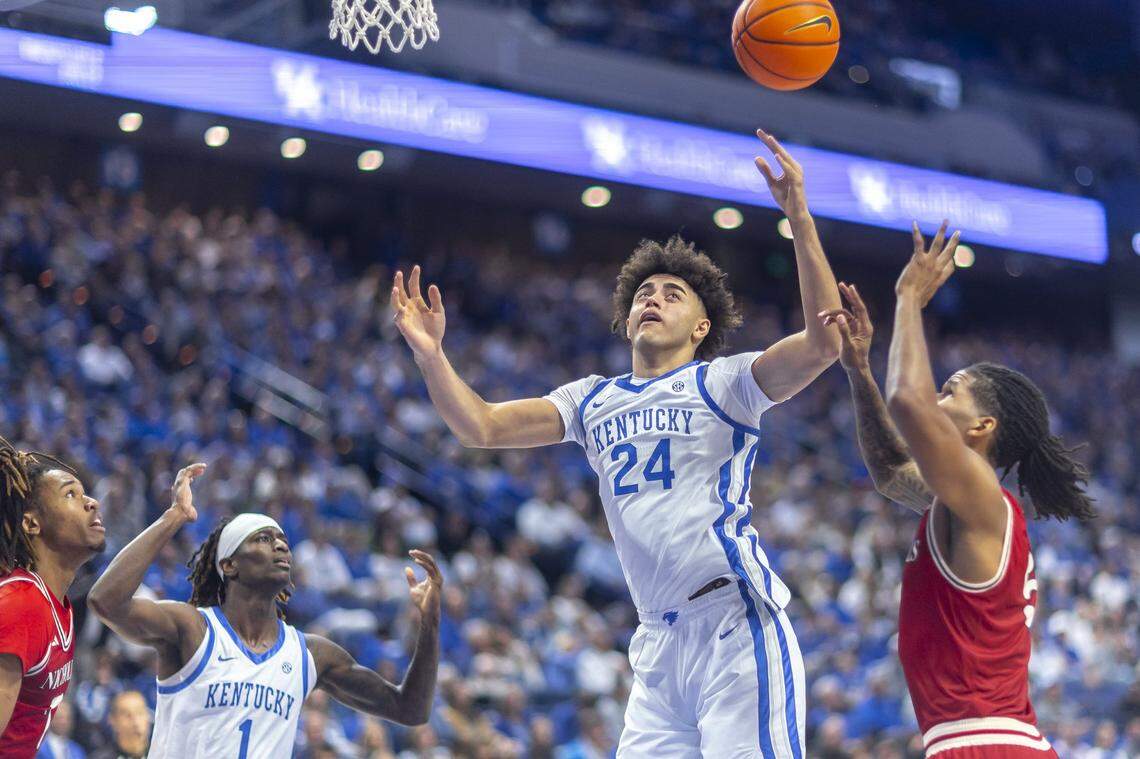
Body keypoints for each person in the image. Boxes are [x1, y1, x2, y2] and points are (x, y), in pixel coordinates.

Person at [392, 130, 843, 756]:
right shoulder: (592, 399)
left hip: (734, 625)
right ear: (627, 317)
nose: (653, 299)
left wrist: (798, 216)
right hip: (658, 642)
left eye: (672, 294)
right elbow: (482, 427)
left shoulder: (725, 380)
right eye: (643, 294)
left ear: (702, 326)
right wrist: (432, 356)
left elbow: (825, 343)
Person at [825, 222, 1097, 757]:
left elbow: (909, 400)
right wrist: (859, 369)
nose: (938, 400)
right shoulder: (966, 504)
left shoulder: (981, 493)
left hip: (985, 743)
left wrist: (907, 297)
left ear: (983, 428)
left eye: (950, 392)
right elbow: (889, 471)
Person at [87, 464, 442, 758]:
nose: (281, 546)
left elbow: (410, 709)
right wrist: (174, 516)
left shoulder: (309, 654)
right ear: (229, 565)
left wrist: (430, 624)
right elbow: (106, 601)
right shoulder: (193, 628)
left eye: (283, 541)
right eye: (263, 539)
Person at [0, 437, 107, 757]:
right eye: (70, 494)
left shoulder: (55, 606)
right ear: (32, 523)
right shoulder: (22, 605)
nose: (92, 502)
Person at [89, 691, 149, 759]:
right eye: (127, 715)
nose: (135, 722)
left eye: (140, 713)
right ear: (112, 720)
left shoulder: (161, 753)